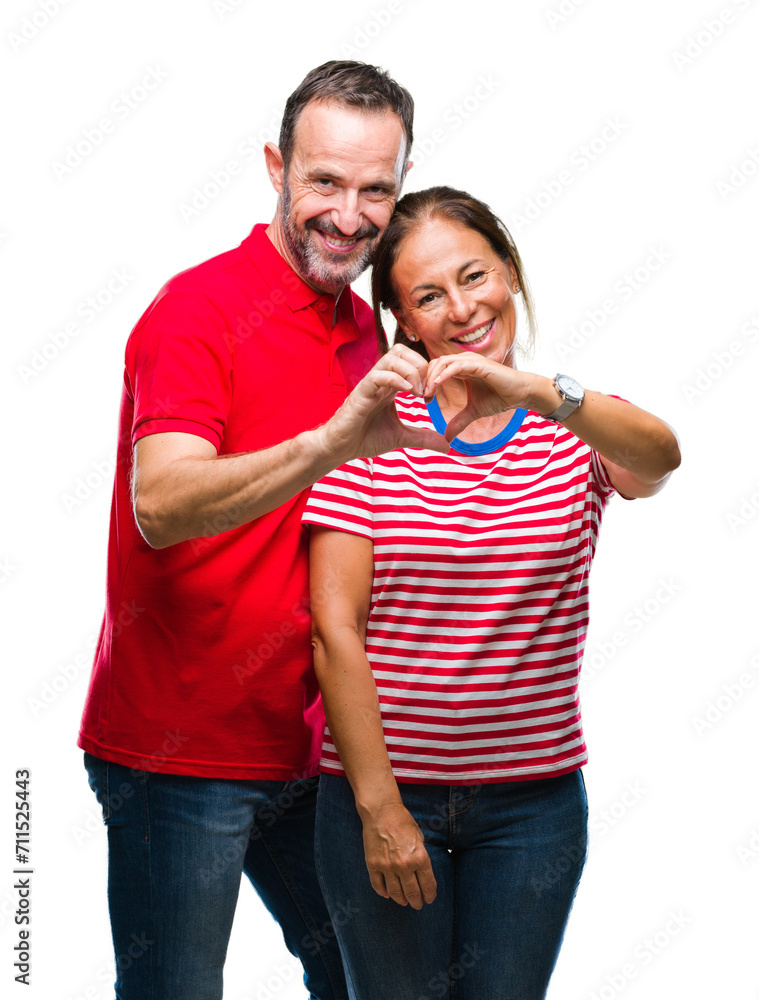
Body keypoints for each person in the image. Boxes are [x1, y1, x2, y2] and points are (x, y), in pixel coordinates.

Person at [77, 62, 450, 1000]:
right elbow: (160, 505)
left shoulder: (373, 333)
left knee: (380, 982)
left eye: (376, 190)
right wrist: (328, 443)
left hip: (320, 752)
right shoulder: (199, 310)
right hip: (179, 749)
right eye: (324, 181)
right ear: (276, 169)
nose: (349, 215)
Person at [304, 186, 682, 1000]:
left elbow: (659, 460)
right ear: (403, 321)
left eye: (475, 276)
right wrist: (381, 811)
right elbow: (335, 629)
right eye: (429, 296)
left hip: (532, 811)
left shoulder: (569, 427)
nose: (462, 309)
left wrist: (541, 393)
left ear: (507, 271)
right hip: (379, 799)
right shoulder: (369, 431)